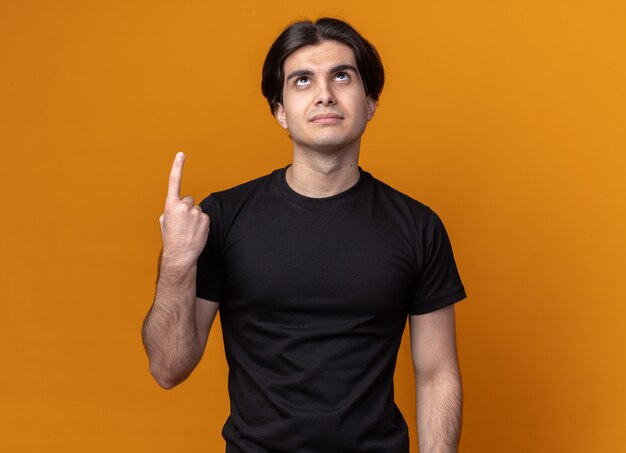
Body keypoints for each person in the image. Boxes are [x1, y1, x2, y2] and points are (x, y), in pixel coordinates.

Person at [142, 17, 467, 453]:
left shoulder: (418, 226)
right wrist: (178, 261)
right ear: (280, 111)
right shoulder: (224, 217)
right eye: (302, 80)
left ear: (370, 102)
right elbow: (168, 368)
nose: (324, 94)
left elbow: (437, 372)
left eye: (341, 75)